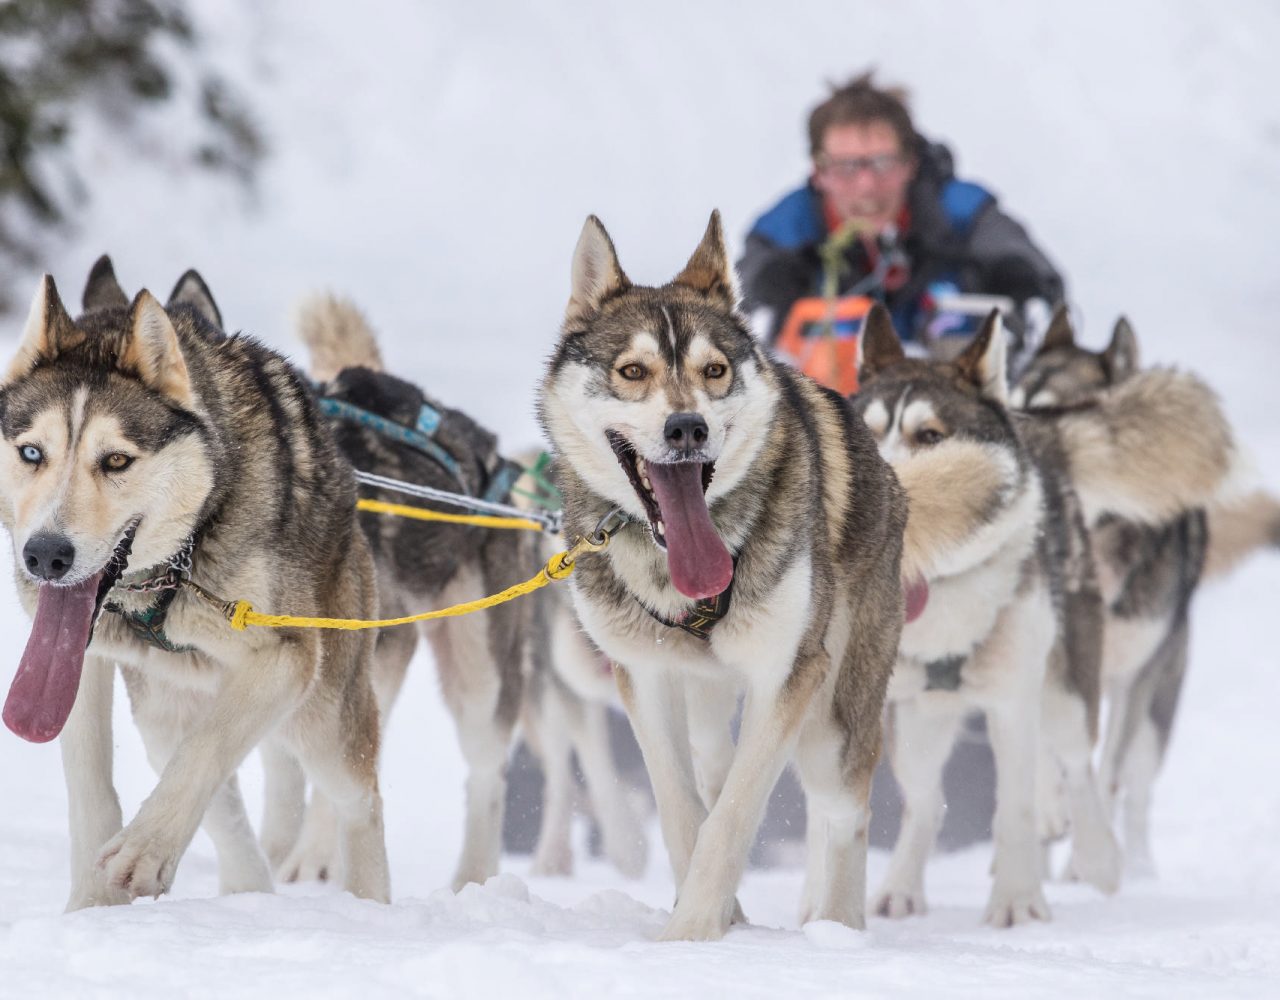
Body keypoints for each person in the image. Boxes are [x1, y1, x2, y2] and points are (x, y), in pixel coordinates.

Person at [738, 71, 1064, 363]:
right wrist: (770, 299)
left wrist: (1022, 289)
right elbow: (736, 299)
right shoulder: (785, 233)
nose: (867, 185)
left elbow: (1030, 272)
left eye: (882, 163)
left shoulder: (963, 214)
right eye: (846, 167)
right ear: (818, 172)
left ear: (911, 163)